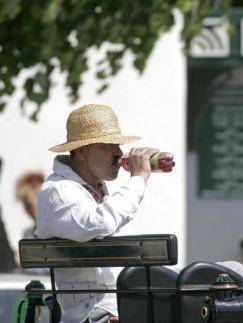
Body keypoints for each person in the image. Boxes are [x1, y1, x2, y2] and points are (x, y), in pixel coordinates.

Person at [35, 104, 174, 323]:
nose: (119, 153)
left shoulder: (91, 189)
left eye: (118, 145)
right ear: (82, 151)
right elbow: (101, 222)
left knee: (229, 273)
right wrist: (138, 179)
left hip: (119, 303)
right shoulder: (58, 191)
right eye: (109, 145)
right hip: (92, 312)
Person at [14, 171, 48, 274]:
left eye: (29, 205)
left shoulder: (55, 231)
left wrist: (25, 264)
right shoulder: (28, 234)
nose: (27, 211)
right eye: (25, 207)